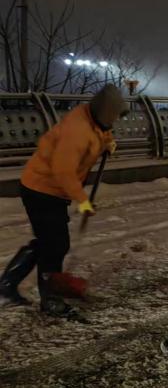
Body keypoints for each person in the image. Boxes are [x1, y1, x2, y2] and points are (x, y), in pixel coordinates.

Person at [0, 84, 125, 319]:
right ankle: (50, 301)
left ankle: (6, 285)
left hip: (50, 190)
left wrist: (106, 143)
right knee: (55, 245)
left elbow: (102, 130)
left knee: (48, 242)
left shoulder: (92, 117)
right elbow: (63, 172)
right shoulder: (77, 131)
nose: (116, 119)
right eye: (115, 114)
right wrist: (83, 201)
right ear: (106, 111)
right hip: (42, 189)